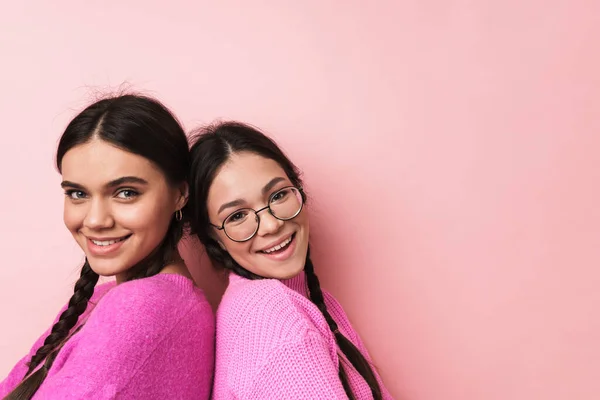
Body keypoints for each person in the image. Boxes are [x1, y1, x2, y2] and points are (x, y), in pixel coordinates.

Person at [0, 94, 214, 400]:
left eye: (126, 193)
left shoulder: (142, 309)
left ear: (180, 194)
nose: (96, 220)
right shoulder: (106, 297)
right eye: (77, 194)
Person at [187, 121, 392, 399]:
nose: (271, 225)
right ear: (214, 239)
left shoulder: (303, 302)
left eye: (278, 195)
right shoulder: (275, 317)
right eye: (237, 216)